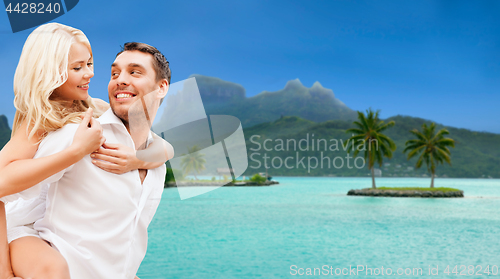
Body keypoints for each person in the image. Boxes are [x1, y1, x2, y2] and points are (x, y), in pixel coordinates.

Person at [0, 24, 168, 279]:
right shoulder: (41, 123)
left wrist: (140, 158)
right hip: (23, 231)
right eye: (77, 67)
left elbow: (160, 144)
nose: (89, 74)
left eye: (89, 64)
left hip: (47, 231)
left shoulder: (94, 111)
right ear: (50, 73)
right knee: (53, 271)